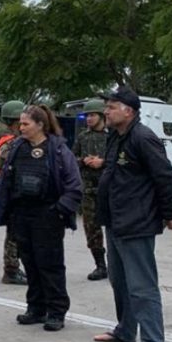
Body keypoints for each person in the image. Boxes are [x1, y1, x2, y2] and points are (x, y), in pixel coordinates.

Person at [93, 87, 172, 342]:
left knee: (142, 285)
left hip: (136, 222)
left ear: (128, 111)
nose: (106, 111)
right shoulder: (116, 137)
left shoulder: (143, 138)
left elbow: (168, 178)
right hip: (115, 221)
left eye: (111, 107)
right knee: (119, 281)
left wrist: (169, 214)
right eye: (106, 106)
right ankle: (125, 330)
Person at [0, 105, 82, 332]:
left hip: (48, 216)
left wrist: (59, 210)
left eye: (25, 124)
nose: (20, 128)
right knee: (30, 264)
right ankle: (36, 308)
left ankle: (56, 312)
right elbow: (5, 181)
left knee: (49, 266)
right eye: (20, 124)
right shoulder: (18, 148)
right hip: (22, 215)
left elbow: (74, 186)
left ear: (40, 125)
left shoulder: (58, 150)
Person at [71, 98, 109, 280]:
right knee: (91, 229)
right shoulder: (83, 137)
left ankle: (120, 264)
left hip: (108, 190)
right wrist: (83, 161)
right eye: (87, 116)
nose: (88, 119)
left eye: (92, 115)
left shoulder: (112, 137)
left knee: (115, 228)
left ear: (102, 116)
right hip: (88, 190)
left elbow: (121, 160)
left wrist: (103, 162)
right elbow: (72, 158)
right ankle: (100, 265)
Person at [0, 100, 28, 285]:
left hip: (10, 190)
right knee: (14, 232)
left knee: (17, 231)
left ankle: (14, 267)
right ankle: (11, 270)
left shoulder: (4, 139)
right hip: (12, 192)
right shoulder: (11, 142)